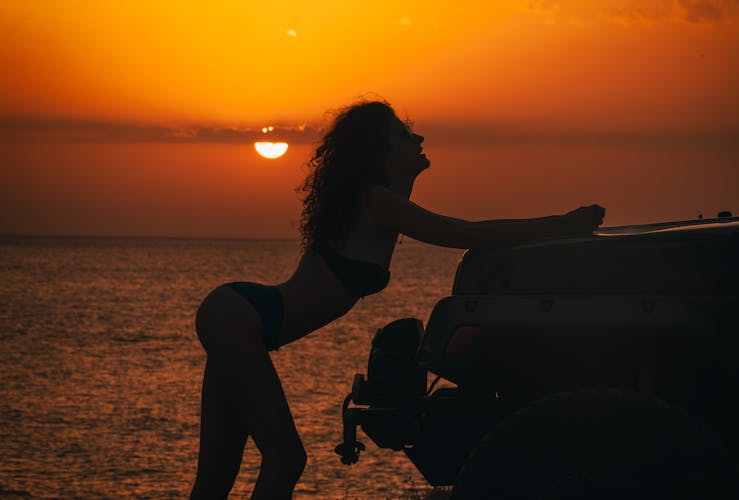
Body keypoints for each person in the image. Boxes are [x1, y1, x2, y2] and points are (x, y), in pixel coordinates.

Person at [190, 100, 605, 499]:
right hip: (239, 318)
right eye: (405, 134)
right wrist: (562, 225)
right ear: (381, 151)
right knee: (285, 459)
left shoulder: (372, 203)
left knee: (215, 476)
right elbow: (467, 234)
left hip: (238, 317)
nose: (418, 137)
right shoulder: (376, 201)